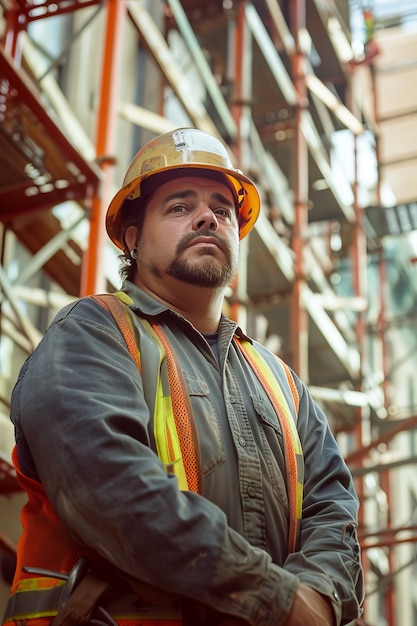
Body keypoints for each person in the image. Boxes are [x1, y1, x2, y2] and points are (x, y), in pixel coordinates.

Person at [3, 128, 364, 626]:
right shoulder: (93, 333)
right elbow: (110, 488)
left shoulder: (282, 384)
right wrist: (277, 599)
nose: (207, 217)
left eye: (222, 208)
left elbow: (334, 513)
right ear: (133, 236)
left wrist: (318, 599)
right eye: (179, 206)